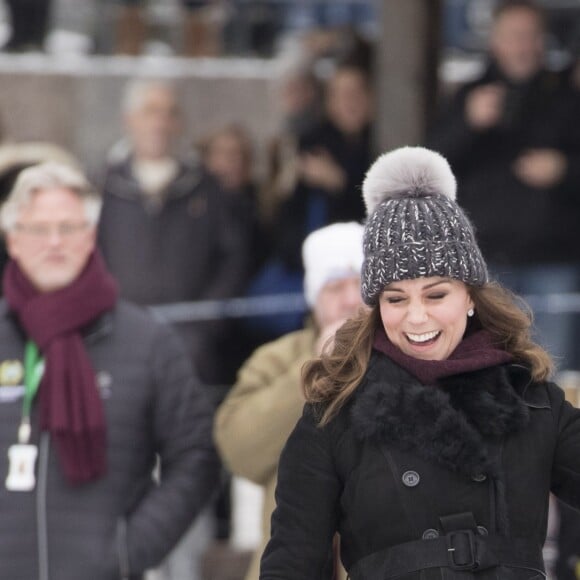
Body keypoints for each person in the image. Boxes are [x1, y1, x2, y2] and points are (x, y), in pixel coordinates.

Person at [259, 145, 580, 580]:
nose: (416, 317)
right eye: (395, 298)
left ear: (469, 295)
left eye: (436, 294)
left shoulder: (534, 402)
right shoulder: (333, 418)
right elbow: (291, 564)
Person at [0, 162, 219, 579]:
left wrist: (128, 550)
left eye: (68, 228)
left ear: (89, 236)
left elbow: (196, 455)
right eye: (37, 229)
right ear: (13, 240)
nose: (54, 243)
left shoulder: (146, 341)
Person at [426, 0, 580, 371]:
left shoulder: (569, 96)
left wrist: (564, 169)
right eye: (514, 36)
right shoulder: (468, 95)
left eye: (530, 36)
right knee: (487, 377)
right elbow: (430, 167)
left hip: (554, 261)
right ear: (494, 41)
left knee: (552, 377)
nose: (523, 45)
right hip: (487, 264)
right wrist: (469, 123)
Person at [214, 221, 364, 580]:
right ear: (313, 299)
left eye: (361, 285)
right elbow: (240, 453)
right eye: (334, 287)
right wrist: (316, 367)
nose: (349, 300)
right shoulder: (277, 359)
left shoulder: (407, 356)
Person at [97, 78, 248, 389]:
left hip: (189, 346)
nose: (160, 123)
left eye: (169, 113)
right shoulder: (103, 185)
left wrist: (205, 324)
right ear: (129, 119)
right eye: (150, 111)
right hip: (117, 336)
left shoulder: (205, 187)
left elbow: (233, 258)